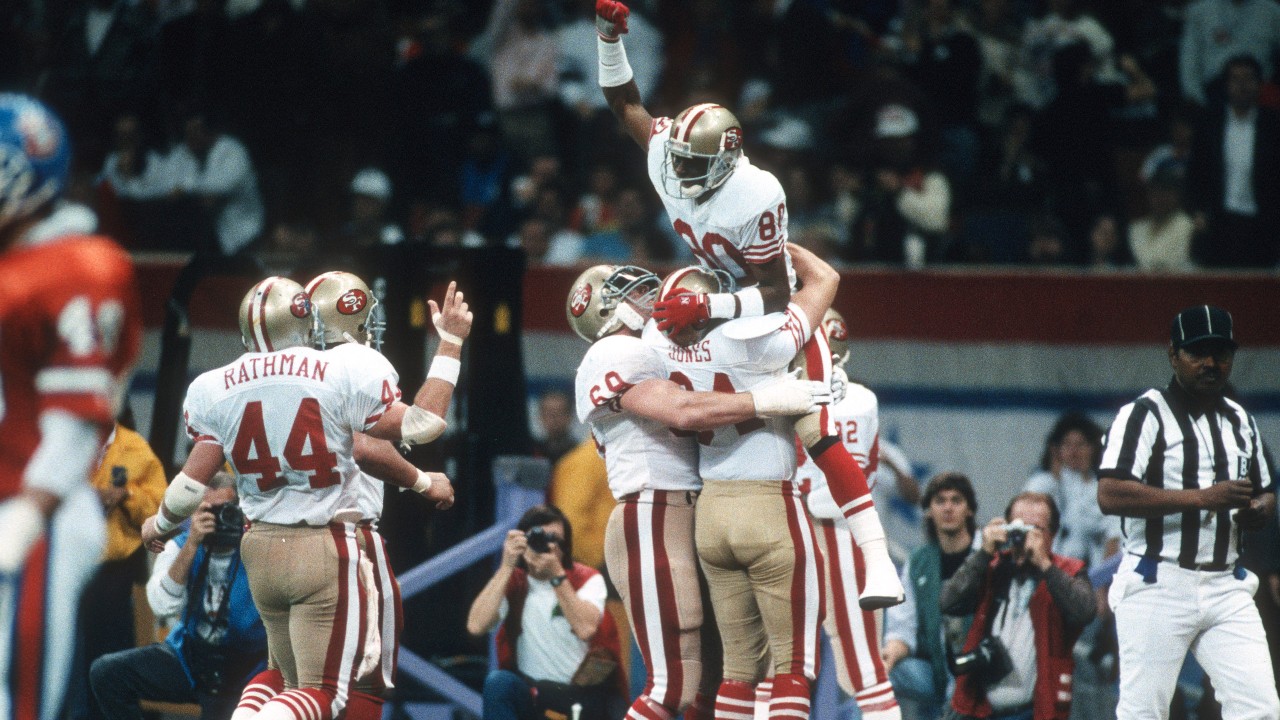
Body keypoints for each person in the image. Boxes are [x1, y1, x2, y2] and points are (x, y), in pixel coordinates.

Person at [595, 0, 902, 611]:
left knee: (816, 428)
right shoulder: (668, 152)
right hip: (711, 297)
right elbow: (625, 102)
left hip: (758, 313)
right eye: (676, 157)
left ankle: (875, 557)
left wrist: (710, 312)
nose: (678, 170)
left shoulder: (756, 193)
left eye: (693, 163)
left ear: (729, 162)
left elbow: (776, 291)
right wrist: (608, 37)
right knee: (691, 412)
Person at [141, 275, 470, 720]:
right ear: (305, 320)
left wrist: (158, 525)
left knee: (281, 676)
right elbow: (421, 424)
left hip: (259, 546)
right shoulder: (344, 369)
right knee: (332, 692)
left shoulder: (214, 385)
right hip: (326, 540)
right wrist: (450, 344)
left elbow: (188, 485)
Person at [567, 263, 826, 720]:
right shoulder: (611, 352)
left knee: (718, 675)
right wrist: (765, 400)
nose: (652, 296)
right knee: (673, 687)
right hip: (651, 515)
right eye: (634, 293)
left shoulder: (655, 345)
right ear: (607, 312)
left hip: (693, 516)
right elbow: (682, 410)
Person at [644, 245, 841, 719]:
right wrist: (769, 245)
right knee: (792, 665)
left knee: (736, 669)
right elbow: (825, 281)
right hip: (768, 502)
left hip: (711, 511)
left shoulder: (653, 343)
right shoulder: (759, 340)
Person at [0, 93, 143, 720]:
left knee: (22, 698)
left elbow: (76, 420)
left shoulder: (75, 265)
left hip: (33, 510)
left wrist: (29, 512)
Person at [1097, 305, 1280, 720]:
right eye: (1198, 353)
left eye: (1221, 353)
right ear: (1172, 354)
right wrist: (1201, 498)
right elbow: (1110, 493)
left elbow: (1267, 489)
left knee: (1261, 708)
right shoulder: (1142, 414)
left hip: (1226, 583)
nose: (1211, 364)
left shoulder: (1240, 420)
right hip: (1157, 580)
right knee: (1145, 712)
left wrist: (1259, 510)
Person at [793, 309, 901, 720]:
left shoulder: (789, 394)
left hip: (810, 527)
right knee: (863, 669)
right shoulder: (864, 399)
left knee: (782, 667)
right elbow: (868, 469)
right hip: (848, 531)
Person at [90, 474, 267, 720]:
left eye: (227, 511)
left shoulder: (260, 549)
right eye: (210, 512)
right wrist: (193, 543)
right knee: (106, 672)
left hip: (246, 670)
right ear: (195, 513)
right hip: (190, 659)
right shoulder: (181, 546)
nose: (220, 519)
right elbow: (161, 606)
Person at [942, 492, 1097, 720]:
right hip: (979, 709)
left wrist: (1044, 564)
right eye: (1019, 529)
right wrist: (983, 554)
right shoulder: (993, 566)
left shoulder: (1067, 571)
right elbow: (949, 603)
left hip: (1032, 711)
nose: (1024, 539)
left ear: (1052, 535)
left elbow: (1085, 611)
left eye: (1035, 530)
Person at [466, 504, 623, 720]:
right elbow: (476, 625)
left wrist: (556, 575)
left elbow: (586, 628)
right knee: (498, 683)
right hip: (532, 694)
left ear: (565, 547)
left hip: (579, 694)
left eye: (553, 539)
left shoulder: (587, 578)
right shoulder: (515, 582)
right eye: (536, 539)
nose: (544, 545)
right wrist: (506, 566)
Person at [74, 418, 169, 720]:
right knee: (68, 653)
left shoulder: (135, 449)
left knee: (111, 651)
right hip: (71, 567)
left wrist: (126, 494)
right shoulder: (70, 441)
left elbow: (162, 509)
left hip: (114, 571)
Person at [883, 473, 979, 720]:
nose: (948, 507)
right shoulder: (919, 561)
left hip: (981, 674)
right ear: (928, 511)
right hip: (936, 671)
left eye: (956, 500)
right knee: (873, 676)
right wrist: (890, 655)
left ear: (969, 510)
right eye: (940, 501)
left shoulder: (988, 554)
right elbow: (902, 626)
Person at [1186, 54, 1280, 268]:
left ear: (1259, 83)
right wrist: (1197, 210)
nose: (1242, 86)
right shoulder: (1210, 124)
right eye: (1236, 79)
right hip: (1218, 224)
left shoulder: (1273, 125)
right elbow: (1195, 173)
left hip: (1262, 226)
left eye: (1248, 79)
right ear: (1226, 85)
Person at [1024, 412, 1118, 569]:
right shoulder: (1042, 482)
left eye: (1081, 445)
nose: (1074, 451)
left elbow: (1114, 537)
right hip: (1049, 568)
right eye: (1067, 445)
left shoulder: (1103, 488)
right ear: (1056, 449)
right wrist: (1056, 479)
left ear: (1093, 448)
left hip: (1092, 573)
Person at [1179, 0, 1280, 107]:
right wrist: (1195, 99)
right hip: (1214, 93)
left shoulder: (1272, 11)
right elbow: (1190, 59)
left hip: (1261, 93)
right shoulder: (1200, 10)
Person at [532, 388, 577, 465]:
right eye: (549, 413)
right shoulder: (531, 452)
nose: (554, 418)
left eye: (559, 413)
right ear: (540, 416)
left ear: (569, 416)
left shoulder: (578, 452)